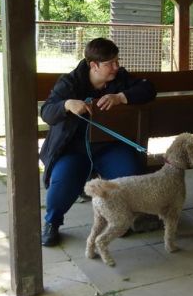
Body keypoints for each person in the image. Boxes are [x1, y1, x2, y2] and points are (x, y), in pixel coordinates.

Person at [39, 37, 156, 246]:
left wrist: (120, 97)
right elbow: (47, 112)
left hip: (109, 147)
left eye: (117, 61)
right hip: (73, 149)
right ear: (94, 65)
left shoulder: (120, 78)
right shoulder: (70, 82)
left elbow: (148, 89)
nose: (116, 67)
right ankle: (52, 223)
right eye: (110, 63)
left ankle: (121, 219)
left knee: (130, 173)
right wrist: (66, 104)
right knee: (63, 182)